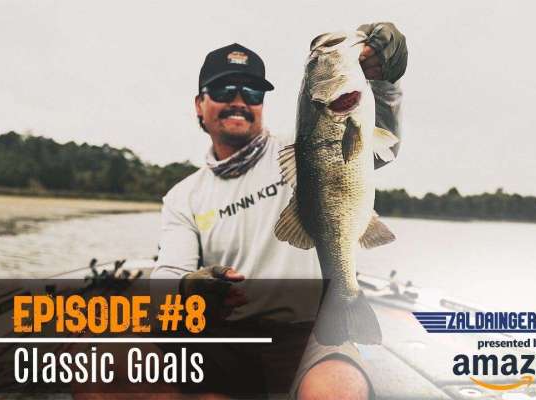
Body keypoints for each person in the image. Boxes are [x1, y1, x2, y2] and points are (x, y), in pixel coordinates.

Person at [153, 22, 407, 400]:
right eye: (223, 90)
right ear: (199, 104)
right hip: (226, 337)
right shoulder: (183, 196)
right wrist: (191, 286)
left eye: (252, 91)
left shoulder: (302, 148)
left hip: (311, 332)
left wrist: (386, 79)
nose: (239, 100)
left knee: (338, 392)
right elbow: (167, 278)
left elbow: (383, 145)